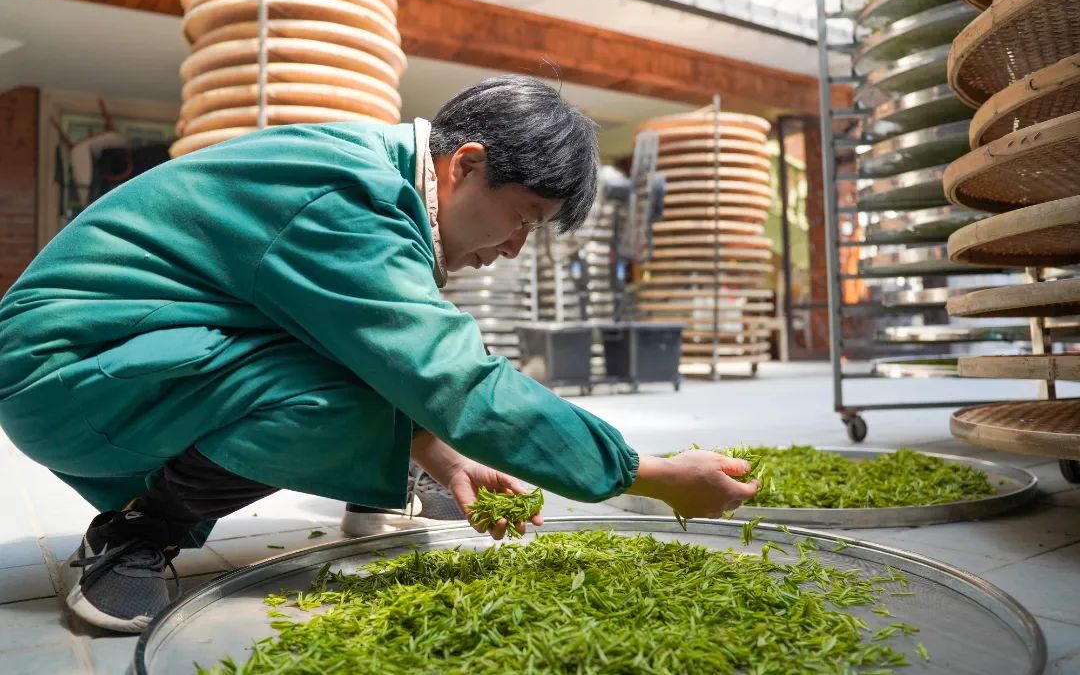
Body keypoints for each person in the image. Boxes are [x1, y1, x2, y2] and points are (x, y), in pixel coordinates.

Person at [0, 75, 759, 633]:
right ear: (464, 165)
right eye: (522, 217)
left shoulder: (374, 179)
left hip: (120, 358)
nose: (513, 248)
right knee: (365, 383)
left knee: (378, 356)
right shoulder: (350, 197)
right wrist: (647, 475)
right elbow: (454, 377)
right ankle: (140, 531)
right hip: (62, 371)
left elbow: (382, 347)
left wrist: (440, 455)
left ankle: (384, 474)